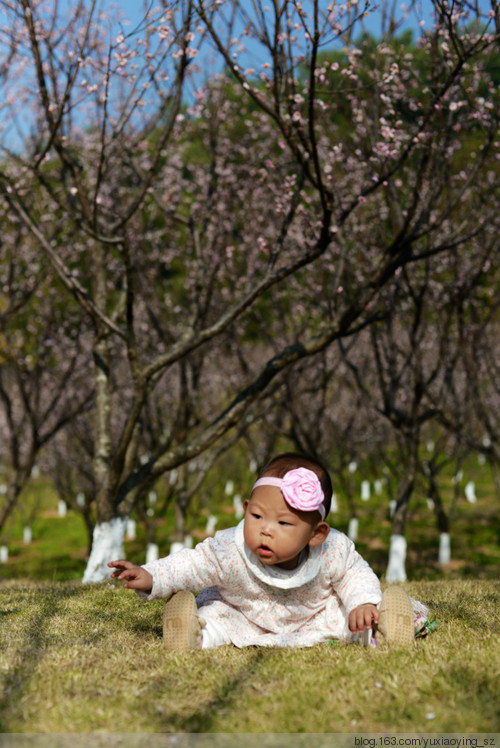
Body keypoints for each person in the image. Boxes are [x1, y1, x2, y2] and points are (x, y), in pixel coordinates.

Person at [109, 453, 427, 651]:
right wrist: (152, 576)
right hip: (244, 616)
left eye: (284, 523)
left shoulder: (333, 551)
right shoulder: (229, 549)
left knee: (350, 619)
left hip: (313, 617)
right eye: (257, 516)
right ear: (246, 509)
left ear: (316, 535)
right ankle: (194, 636)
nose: (266, 529)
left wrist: (363, 603)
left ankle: (379, 631)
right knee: (218, 617)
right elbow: (193, 563)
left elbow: (354, 575)